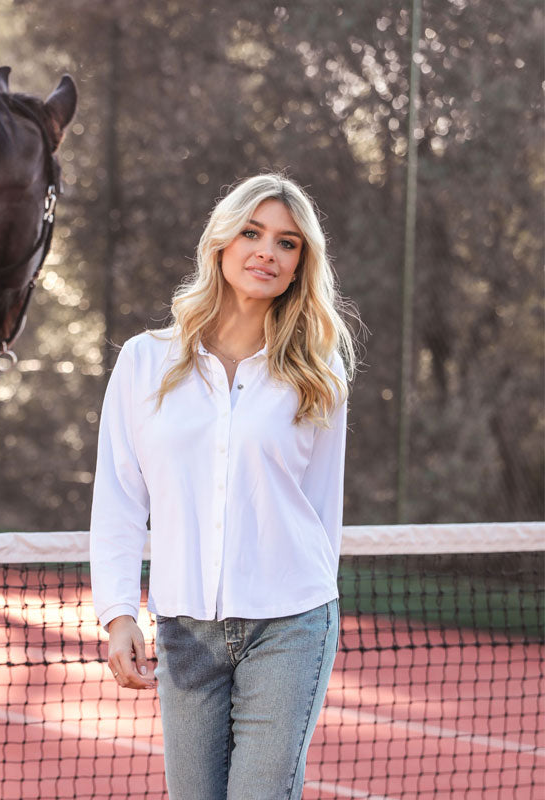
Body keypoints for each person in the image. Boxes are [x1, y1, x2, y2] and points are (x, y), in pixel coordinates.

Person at [90, 173, 357, 799]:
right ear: (221, 242)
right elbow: (120, 498)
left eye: (287, 243)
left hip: (290, 625)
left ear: (300, 264)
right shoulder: (144, 361)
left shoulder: (318, 370)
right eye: (252, 233)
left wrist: (313, 596)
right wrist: (118, 613)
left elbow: (323, 504)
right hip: (185, 631)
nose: (267, 252)